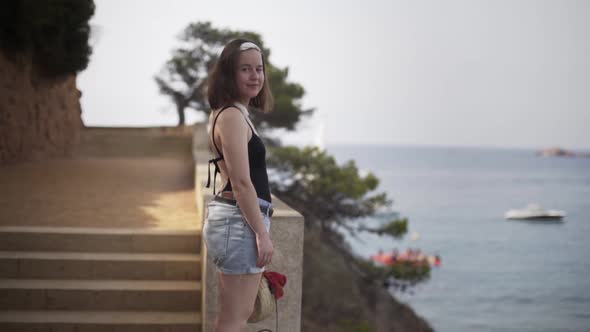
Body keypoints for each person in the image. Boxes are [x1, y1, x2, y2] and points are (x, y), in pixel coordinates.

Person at [202, 39, 275, 332]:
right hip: (240, 223)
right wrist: (261, 234)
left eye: (259, 69)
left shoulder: (235, 113)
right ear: (229, 74)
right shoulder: (231, 116)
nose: (255, 76)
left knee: (236, 315)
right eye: (245, 69)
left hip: (237, 221)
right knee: (234, 319)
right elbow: (242, 182)